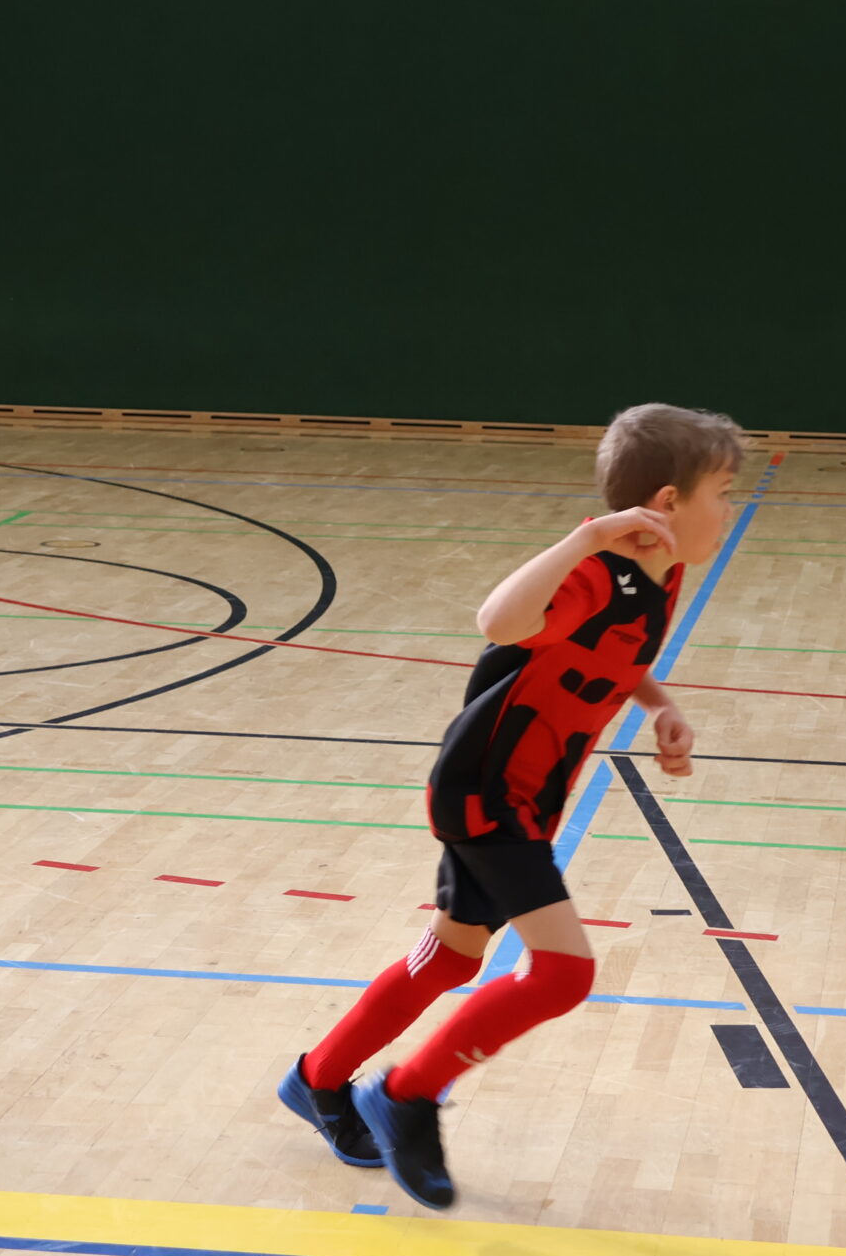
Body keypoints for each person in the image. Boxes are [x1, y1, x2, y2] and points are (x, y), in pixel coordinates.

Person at [276, 403, 739, 1208]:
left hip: (530, 794)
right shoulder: (593, 570)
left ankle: (318, 1078)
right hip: (487, 792)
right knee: (563, 973)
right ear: (668, 502)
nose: (730, 510)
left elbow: (614, 652)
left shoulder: (661, 575)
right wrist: (587, 537)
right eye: (723, 493)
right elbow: (499, 620)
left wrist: (660, 704)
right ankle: (406, 1095)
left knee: (451, 956)